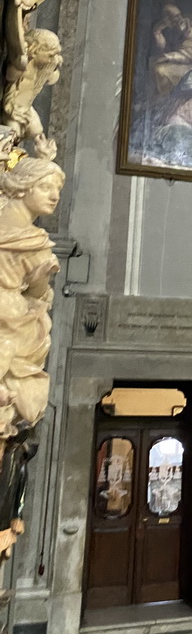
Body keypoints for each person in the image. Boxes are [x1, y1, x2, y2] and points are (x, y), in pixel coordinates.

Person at [0, 157, 65, 436]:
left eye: (58, 191)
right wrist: (42, 279)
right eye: (46, 187)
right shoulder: (36, 245)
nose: (55, 196)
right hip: (10, 311)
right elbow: (38, 295)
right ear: (24, 187)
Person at [149, 3, 192, 96]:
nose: (180, 18)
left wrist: (168, 56)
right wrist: (157, 32)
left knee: (160, 70)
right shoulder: (169, 29)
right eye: (174, 17)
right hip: (182, 63)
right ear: (167, 19)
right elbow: (162, 49)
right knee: (154, 65)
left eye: (179, 15)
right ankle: (164, 95)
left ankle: (165, 96)